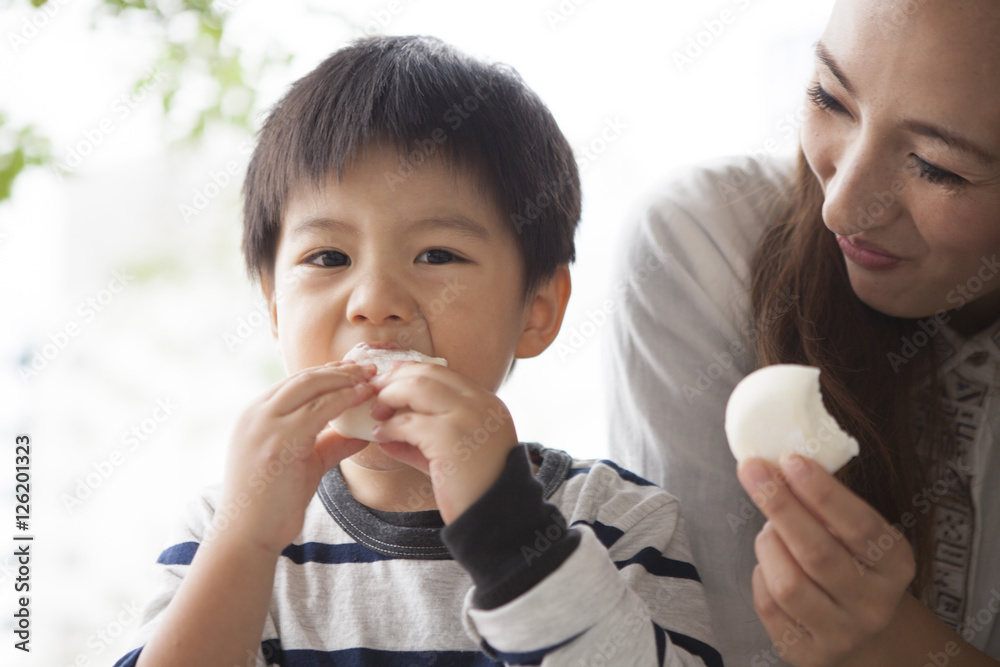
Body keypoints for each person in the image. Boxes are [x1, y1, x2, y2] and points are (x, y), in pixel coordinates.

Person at [113, 35, 722, 667]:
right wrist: (245, 541)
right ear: (272, 304)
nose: (375, 301)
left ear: (537, 309)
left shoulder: (616, 521)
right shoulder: (227, 529)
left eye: (437, 255)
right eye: (328, 257)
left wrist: (509, 536)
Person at [604, 0, 1000, 665]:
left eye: (938, 166)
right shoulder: (703, 248)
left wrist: (895, 646)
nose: (840, 205)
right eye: (830, 97)